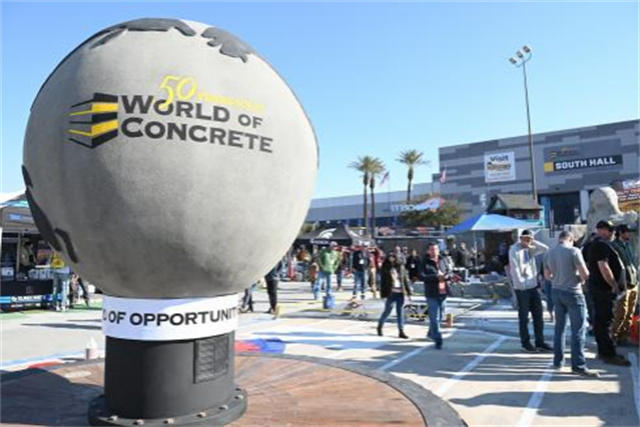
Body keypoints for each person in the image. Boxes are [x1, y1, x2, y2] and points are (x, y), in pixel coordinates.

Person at [544, 231, 599, 377]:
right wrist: (577, 278)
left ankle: (558, 361)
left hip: (556, 291)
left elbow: (547, 276)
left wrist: (559, 277)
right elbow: (585, 274)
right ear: (571, 239)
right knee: (578, 330)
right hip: (573, 292)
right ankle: (578, 365)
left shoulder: (549, 252)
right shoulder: (574, 251)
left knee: (559, 328)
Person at [586, 220, 630, 366]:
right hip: (603, 290)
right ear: (603, 230)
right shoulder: (601, 245)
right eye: (610, 230)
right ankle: (608, 354)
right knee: (605, 322)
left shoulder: (595, 245)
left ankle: (605, 351)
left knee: (601, 321)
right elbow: (603, 266)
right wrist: (614, 285)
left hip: (599, 289)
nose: (613, 233)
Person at [508, 229, 552, 353]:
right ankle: (525, 342)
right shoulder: (514, 250)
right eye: (525, 239)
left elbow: (545, 248)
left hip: (533, 286)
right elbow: (515, 269)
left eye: (529, 239)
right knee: (524, 317)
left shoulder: (530, 249)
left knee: (538, 315)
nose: (527, 241)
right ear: (520, 238)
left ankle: (540, 341)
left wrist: (533, 241)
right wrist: (521, 285)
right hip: (522, 288)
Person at [421, 241, 453, 349]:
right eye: (432, 249)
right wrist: (436, 277)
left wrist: (448, 276)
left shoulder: (443, 260)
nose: (434, 251)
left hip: (443, 292)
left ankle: (431, 333)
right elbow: (422, 276)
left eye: (436, 249)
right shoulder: (425, 262)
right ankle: (438, 339)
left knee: (440, 316)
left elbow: (449, 271)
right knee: (434, 318)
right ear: (428, 251)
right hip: (432, 293)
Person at [610, 224, 639, 346]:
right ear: (621, 233)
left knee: (630, 313)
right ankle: (613, 337)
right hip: (623, 283)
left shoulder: (628, 245)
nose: (629, 234)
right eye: (627, 232)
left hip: (633, 282)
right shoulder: (614, 246)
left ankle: (624, 337)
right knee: (620, 312)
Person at [376, 253, 412, 339]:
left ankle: (401, 330)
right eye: (390, 258)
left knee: (400, 312)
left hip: (400, 293)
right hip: (391, 293)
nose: (392, 259)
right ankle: (380, 326)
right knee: (387, 310)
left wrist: (409, 293)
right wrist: (383, 294)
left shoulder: (401, 267)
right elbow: (383, 282)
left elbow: (405, 280)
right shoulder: (386, 267)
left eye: (393, 257)